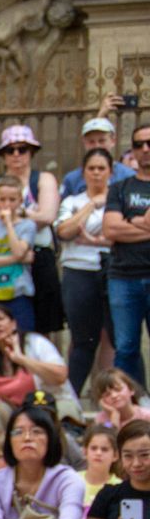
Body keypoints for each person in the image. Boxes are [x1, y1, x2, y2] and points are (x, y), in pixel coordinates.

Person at [0, 126, 62, 334]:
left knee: (41, 326)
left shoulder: (43, 179)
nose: (16, 154)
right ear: (3, 155)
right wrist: (26, 214)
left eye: (22, 149)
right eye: (10, 150)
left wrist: (11, 214)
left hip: (37, 256)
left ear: (31, 152)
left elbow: (48, 216)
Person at [56, 147, 116, 394]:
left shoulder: (119, 199)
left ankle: (132, 398)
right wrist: (91, 204)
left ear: (110, 172)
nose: (96, 173)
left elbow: (125, 235)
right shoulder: (72, 201)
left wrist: (96, 240)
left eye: (101, 168)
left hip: (114, 271)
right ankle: (71, 401)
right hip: (78, 271)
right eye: (91, 168)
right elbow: (64, 231)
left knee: (120, 340)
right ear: (83, 172)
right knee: (83, 341)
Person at [0, 302, 78, 431]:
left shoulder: (35, 343)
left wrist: (22, 359)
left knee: (66, 407)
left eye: (0, 319)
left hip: (45, 408)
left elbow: (60, 376)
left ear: (13, 324)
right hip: (11, 422)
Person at [103, 123, 150, 384]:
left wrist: (129, 223)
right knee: (126, 348)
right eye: (139, 144)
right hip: (123, 277)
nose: (145, 149)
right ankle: (131, 402)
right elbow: (110, 229)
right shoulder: (120, 188)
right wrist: (143, 224)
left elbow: (119, 227)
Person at [0, 173, 39, 331]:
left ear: (20, 201)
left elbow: (19, 251)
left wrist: (9, 224)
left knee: (22, 335)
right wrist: (19, 258)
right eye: (2, 200)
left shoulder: (28, 226)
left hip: (20, 292)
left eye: (12, 200)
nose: (7, 204)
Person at [61, 116, 135, 200]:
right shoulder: (72, 179)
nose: (97, 146)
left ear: (113, 141)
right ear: (84, 143)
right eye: (91, 142)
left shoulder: (128, 176)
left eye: (102, 141)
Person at [76, 423, 118, 505]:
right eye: (93, 448)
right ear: (85, 452)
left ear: (115, 455)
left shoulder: (118, 487)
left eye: (104, 449)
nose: (98, 453)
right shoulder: (73, 480)